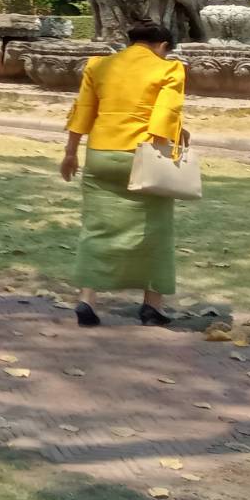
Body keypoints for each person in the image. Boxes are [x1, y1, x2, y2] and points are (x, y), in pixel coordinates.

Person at [61, 21, 188, 328]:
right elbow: (162, 118)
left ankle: (87, 300)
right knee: (155, 233)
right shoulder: (169, 69)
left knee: (96, 228)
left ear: (131, 42)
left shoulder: (99, 65)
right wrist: (165, 149)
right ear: (162, 46)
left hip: (101, 154)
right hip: (141, 155)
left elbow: (84, 110)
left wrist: (70, 152)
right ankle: (151, 307)